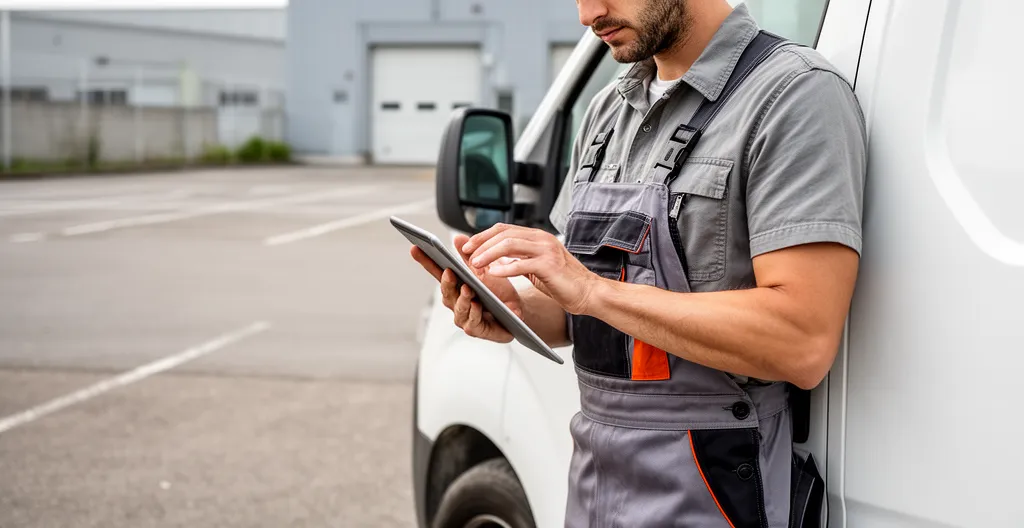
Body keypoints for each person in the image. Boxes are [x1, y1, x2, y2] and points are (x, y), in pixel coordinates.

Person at [411, 0, 866, 525]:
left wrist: (590, 292)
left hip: (714, 488)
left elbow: (801, 340)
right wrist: (513, 307)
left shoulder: (793, 96)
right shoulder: (608, 109)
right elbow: (587, 304)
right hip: (597, 484)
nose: (588, 13)